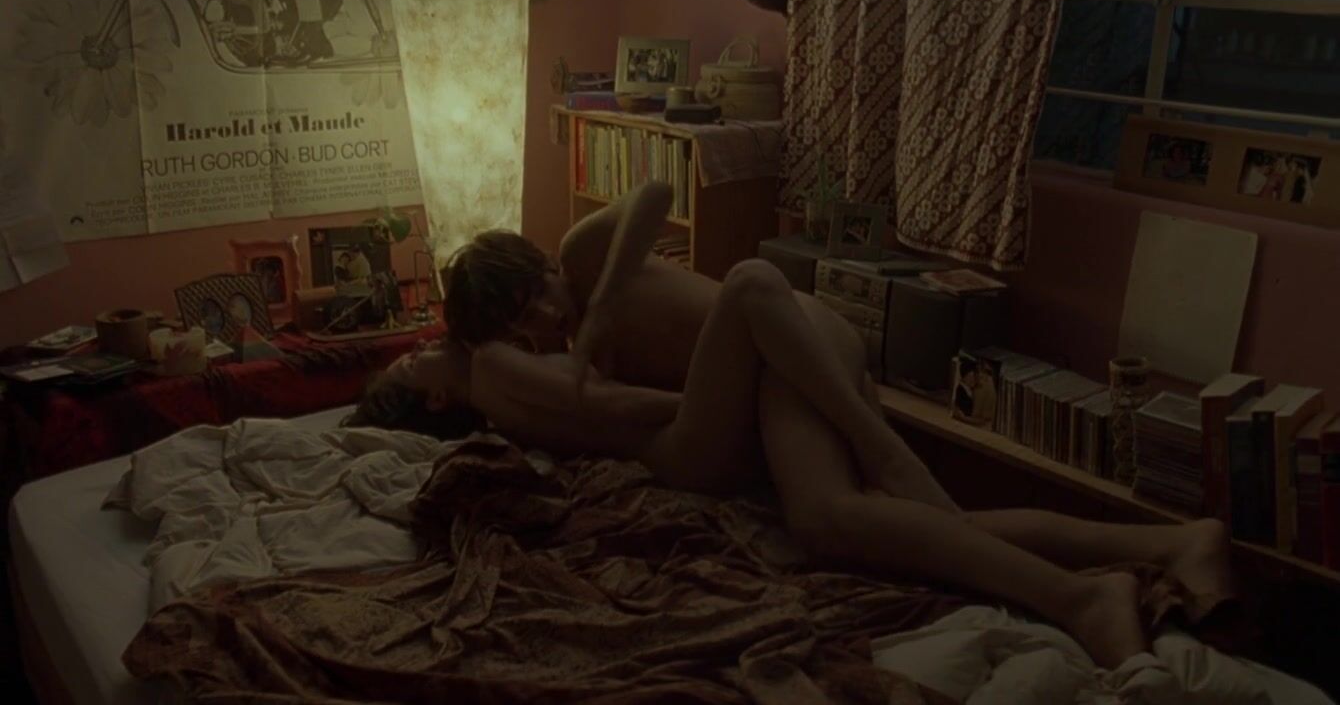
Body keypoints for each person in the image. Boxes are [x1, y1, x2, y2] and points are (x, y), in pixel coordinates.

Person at [352, 183, 1234, 670]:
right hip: (771, 370)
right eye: (526, 318)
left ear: (544, 265)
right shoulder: (503, 369)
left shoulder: (585, 262)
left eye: (541, 289)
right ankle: (1161, 543)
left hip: (794, 340)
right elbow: (613, 412)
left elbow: (655, 192)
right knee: (856, 520)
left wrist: (604, 304)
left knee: (752, 293)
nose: (549, 311)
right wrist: (665, 390)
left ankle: (1080, 594)